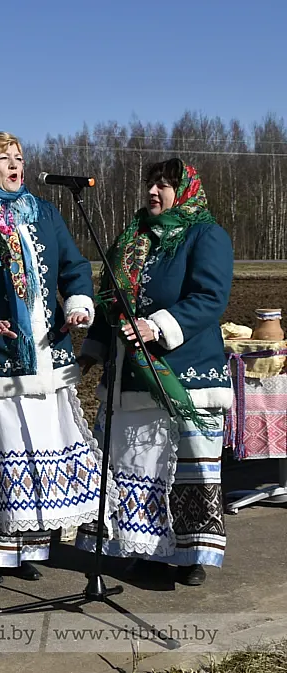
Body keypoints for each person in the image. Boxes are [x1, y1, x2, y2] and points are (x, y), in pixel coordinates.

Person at [0, 131, 101, 583]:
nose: (15, 165)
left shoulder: (44, 212)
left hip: (45, 353)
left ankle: (30, 548)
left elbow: (73, 266)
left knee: (37, 450)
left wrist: (77, 305)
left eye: (19, 158)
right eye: (4, 158)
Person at [75, 159, 233, 587]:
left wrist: (157, 326)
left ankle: (190, 553)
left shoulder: (204, 235)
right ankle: (143, 548)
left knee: (184, 464)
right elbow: (112, 305)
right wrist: (92, 353)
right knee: (136, 465)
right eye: (151, 183)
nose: (154, 191)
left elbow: (210, 297)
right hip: (129, 375)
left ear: (184, 191)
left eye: (165, 185)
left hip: (183, 373)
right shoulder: (130, 240)